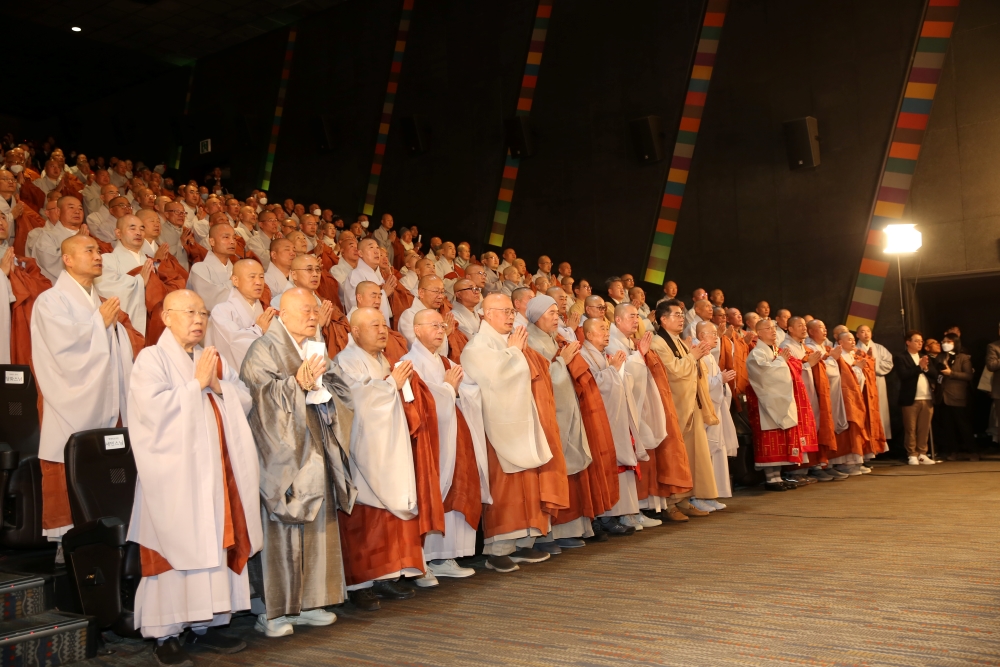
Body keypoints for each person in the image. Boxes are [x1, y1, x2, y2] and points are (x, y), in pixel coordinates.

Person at [127, 290, 262, 663]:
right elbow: (150, 413)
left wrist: (217, 385)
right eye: (189, 312)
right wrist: (195, 385)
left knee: (214, 545)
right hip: (174, 479)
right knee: (174, 554)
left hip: (215, 474)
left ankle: (207, 624)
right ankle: (165, 633)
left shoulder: (210, 358)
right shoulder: (151, 359)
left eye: (203, 313)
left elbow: (243, 396)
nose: (198, 319)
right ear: (166, 316)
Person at [240, 288, 352, 632]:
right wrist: (295, 385)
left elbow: (340, 388)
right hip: (283, 454)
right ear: (282, 314)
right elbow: (257, 397)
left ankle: (310, 602)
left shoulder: (315, 346)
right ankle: (272, 610)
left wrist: (322, 385)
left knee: (318, 524)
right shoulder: (263, 348)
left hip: (316, 444)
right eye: (305, 310)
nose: (313, 316)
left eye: (315, 310)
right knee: (281, 531)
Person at [31, 235, 136, 549]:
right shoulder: (50, 301)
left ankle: (106, 538)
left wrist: (109, 326)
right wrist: (99, 324)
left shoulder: (99, 301)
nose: (98, 255)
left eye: (99, 250)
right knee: (67, 460)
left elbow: (120, 347)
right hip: (68, 400)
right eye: (89, 250)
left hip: (105, 400)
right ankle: (67, 545)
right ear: (67, 259)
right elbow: (63, 347)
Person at [461, 294, 563, 571]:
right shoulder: (477, 346)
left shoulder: (510, 342)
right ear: (487, 314)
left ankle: (523, 543)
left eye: (511, 311)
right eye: (504, 311)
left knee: (527, 484)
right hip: (497, 430)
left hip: (521, 424)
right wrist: (515, 353)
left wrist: (515, 352)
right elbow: (496, 379)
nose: (510, 316)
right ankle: (499, 549)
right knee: (504, 487)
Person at [333, 307, 426, 606]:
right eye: (374, 325)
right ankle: (360, 584)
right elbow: (354, 398)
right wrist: (389, 386)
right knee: (366, 517)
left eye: (384, 325)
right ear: (355, 331)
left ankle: (387, 576)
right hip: (365, 451)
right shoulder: (345, 361)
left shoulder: (383, 359)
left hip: (389, 445)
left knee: (390, 514)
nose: (383, 330)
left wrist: (394, 386)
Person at [400, 309, 487, 579]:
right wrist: (448, 389)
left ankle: (445, 556)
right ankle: (423, 560)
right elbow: (416, 401)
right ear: (416, 330)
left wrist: (455, 391)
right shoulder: (407, 363)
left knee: (456, 488)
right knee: (430, 493)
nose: (440, 331)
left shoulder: (447, 362)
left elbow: (468, 391)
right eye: (434, 326)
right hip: (428, 440)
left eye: (442, 326)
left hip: (454, 435)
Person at [524, 296, 599, 547]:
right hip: (547, 413)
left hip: (566, 408)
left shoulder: (553, 338)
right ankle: (550, 533)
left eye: (557, 312)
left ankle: (570, 529)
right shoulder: (529, 340)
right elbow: (536, 378)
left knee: (571, 468)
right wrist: (561, 362)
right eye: (551, 313)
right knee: (552, 471)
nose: (556, 317)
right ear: (536, 316)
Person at [649, 300, 718, 514]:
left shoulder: (677, 341)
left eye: (681, 315)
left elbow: (689, 367)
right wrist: (693, 357)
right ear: (663, 319)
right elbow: (672, 372)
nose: (681, 319)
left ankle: (686, 499)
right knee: (675, 456)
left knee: (693, 454)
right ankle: (672, 503)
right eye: (676, 315)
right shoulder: (658, 343)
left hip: (689, 404)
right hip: (675, 406)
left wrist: (695, 357)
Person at [607, 304, 672, 521]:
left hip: (636, 405)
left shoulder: (628, 341)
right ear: (617, 320)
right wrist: (639, 356)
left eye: (637, 316)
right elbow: (621, 374)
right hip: (622, 409)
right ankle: (629, 513)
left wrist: (638, 354)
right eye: (631, 316)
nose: (636, 320)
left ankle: (636, 510)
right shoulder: (612, 342)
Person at [579, 317, 642, 534]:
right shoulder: (583, 355)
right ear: (588, 334)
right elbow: (590, 386)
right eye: (602, 329)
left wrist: (617, 370)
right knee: (603, 466)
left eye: (607, 329)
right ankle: (603, 517)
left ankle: (614, 514)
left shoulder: (603, 355)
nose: (607, 333)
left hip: (612, 418)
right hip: (596, 418)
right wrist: (613, 369)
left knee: (615, 464)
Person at [744, 318, 816, 490]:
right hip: (765, 404)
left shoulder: (778, 350)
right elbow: (765, 374)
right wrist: (781, 362)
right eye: (768, 328)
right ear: (759, 333)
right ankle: (771, 479)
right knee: (770, 439)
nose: (773, 331)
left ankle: (778, 476)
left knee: (781, 439)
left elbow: (792, 369)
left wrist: (795, 363)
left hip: (781, 400)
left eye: (774, 328)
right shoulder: (756, 354)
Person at [94, 215, 184, 339]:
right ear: (118, 233)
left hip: (155, 323)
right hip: (127, 329)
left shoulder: (149, 260)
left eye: (142, 229)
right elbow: (107, 290)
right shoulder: (107, 260)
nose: (138, 233)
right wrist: (139, 281)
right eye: (132, 228)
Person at [694, 321, 738, 501]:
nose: (716, 337)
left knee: (717, 449)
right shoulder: (698, 355)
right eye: (712, 334)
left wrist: (721, 379)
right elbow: (700, 385)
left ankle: (714, 494)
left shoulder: (710, 356)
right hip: (705, 411)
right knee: (707, 451)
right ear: (701, 336)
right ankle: (702, 496)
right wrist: (721, 378)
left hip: (715, 409)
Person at [205, 260, 276, 371]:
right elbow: (234, 342)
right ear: (235, 281)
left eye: (261, 277)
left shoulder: (264, 311)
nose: (258, 282)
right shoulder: (221, 311)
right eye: (252, 277)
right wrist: (258, 330)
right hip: (232, 376)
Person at [893, 330, 937, 465]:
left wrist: (926, 368)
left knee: (924, 428)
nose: (920, 343)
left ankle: (922, 453)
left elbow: (935, 374)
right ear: (908, 342)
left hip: (927, 397)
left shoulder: (924, 356)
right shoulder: (901, 357)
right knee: (910, 428)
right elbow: (904, 375)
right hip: (911, 398)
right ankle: (912, 454)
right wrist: (919, 367)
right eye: (916, 341)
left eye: (921, 341)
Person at [937, 332, 976, 461]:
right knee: (948, 427)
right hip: (943, 397)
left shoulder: (963, 357)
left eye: (948, 341)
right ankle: (953, 451)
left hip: (958, 395)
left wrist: (951, 373)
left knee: (963, 426)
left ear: (955, 342)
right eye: (943, 342)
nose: (945, 344)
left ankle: (972, 451)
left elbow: (968, 375)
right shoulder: (940, 357)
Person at [30, 196, 87, 282]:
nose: (77, 211)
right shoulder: (46, 237)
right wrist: (76, 242)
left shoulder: (87, 235)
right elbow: (51, 261)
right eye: (71, 207)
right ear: (58, 212)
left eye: (80, 208)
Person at [345, 238, 396, 325]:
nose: (376, 251)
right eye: (371, 247)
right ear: (360, 253)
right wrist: (384, 294)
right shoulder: (355, 275)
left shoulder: (381, 275)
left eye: (377, 248)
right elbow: (357, 305)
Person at [187, 224, 236, 312]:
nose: (232, 241)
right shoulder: (199, 269)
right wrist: (236, 282)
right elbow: (209, 302)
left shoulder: (236, 269)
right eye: (226, 237)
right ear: (212, 242)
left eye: (234, 238)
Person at [856, 324, 893, 441]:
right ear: (857, 335)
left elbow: (889, 364)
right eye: (862, 331)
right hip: (863, 382)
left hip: (878, 382)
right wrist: (867, 362)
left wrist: (873, 362)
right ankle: (867, 440)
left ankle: (880, 439)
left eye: (868, 331)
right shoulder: (855, 349)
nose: (866, 333)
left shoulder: (879, 348)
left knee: (879, 408)